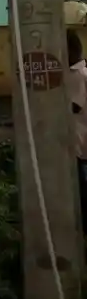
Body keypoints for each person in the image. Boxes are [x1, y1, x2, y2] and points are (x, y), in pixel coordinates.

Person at [67, 28, 87, 232]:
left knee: (81, 190)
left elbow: (74, 106)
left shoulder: (76, 75)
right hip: (80, 140)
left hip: (80, 141)